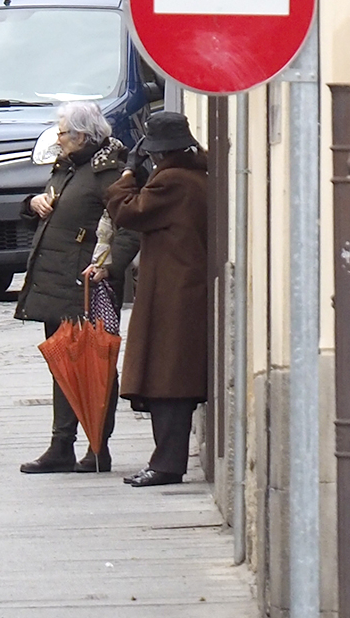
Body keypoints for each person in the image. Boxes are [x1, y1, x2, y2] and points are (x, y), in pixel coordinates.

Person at [15, 101, 140, 474]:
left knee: (95, 365)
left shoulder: (108, 174)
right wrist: (32, 203)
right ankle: (62, 444)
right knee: (62, 364)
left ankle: (97, 446)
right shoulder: (68, 168)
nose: (59, 138)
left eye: (64, 132)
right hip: (57, 282)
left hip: (87, 285)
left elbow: (129, 226)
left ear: (83, 136)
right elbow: (53, 207)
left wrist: (108, 265)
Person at [106, 111, 209, 488]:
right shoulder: (196, 176)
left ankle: (166, 464)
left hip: (174, 295)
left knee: (169, 383)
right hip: (179, 290)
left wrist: (128, 175)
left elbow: (126, 210)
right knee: (170, 381)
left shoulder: (173, 182)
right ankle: (165, 461)